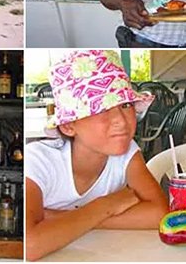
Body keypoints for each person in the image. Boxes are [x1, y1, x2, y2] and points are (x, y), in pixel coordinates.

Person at [25, 50, 167, 261]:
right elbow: (30, 246)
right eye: (102, 109)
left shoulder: (126, 151)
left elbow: (160, 214)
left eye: (125, 105)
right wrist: (106, 206)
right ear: (69, 126)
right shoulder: (38, 161)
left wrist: (57, 220)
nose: (121, 120)